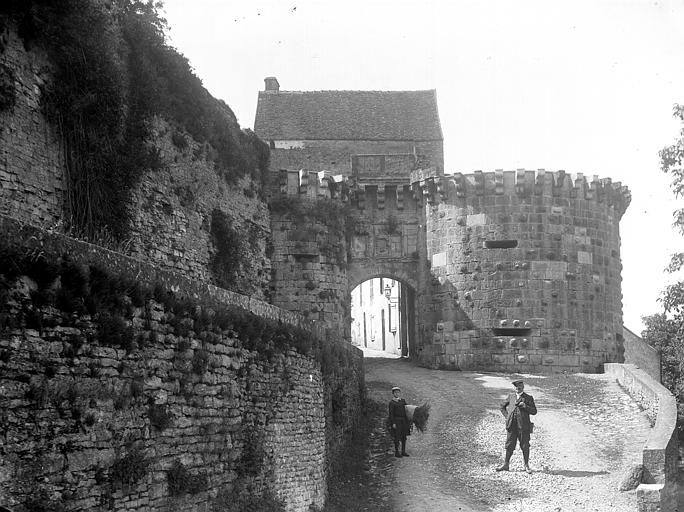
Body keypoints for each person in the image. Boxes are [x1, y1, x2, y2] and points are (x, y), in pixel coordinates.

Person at [496, 379, 537, 474]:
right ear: (514, 388)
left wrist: (525, 406)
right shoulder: (511, 397)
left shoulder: (528, 398)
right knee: (509, 444)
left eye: (519, 387)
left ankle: (526, 465)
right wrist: (507, 417)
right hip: (512, 425)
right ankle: (506, 464)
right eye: (516, 387)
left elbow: (534, 411)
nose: (517, 389)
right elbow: (502, 406)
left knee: (525, 445)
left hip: (524, 426)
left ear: (523, 387)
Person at [388, 386, 410, 458]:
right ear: (393, 393)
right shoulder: (392, 403)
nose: (397, 394)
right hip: (397, 421)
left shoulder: (402, 401)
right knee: (397, 436)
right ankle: (397, 452)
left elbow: (407, 410)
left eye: (398, 392)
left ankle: (403, 451)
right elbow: (391, 414)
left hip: (403, 420)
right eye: (395, 392)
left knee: (404, 436)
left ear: (400, 393)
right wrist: (393, 423)